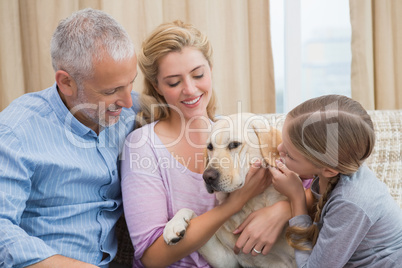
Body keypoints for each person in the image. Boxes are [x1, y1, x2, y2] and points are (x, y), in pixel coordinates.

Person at [120, 20, 291, 268]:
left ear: (210, 69)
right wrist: (235, 203)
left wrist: (282, 211)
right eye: (174, 82)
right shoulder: (143, 145)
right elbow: (151, 257)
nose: (190, 89)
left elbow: (312, 188)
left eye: (198, 74)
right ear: (157, 86)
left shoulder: (233, 131)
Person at [0, 8, 139, 267]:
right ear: (66, 82)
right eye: (111, 91)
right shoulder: (15, 132)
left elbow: (211, 126)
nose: (128, 101)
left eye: (131, 82)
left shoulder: (130, 110)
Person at [270, 95, 402, 267]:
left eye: (290, 155)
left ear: (328, 170)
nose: (279, 149)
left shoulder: (351, 202)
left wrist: (297, 198)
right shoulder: (339, 164)